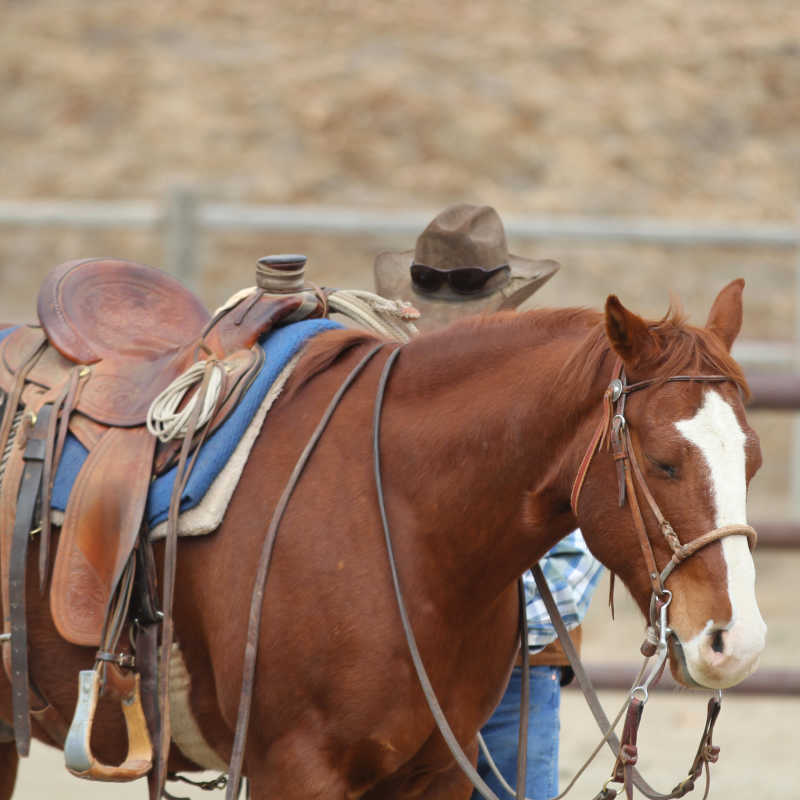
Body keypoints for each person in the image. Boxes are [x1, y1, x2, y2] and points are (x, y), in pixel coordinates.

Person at [374, 203, 605, 800]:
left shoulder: (546, 399)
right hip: (395, 667)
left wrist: (467, 621)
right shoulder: (381, 392)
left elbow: (575, 542)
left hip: (503, 664)